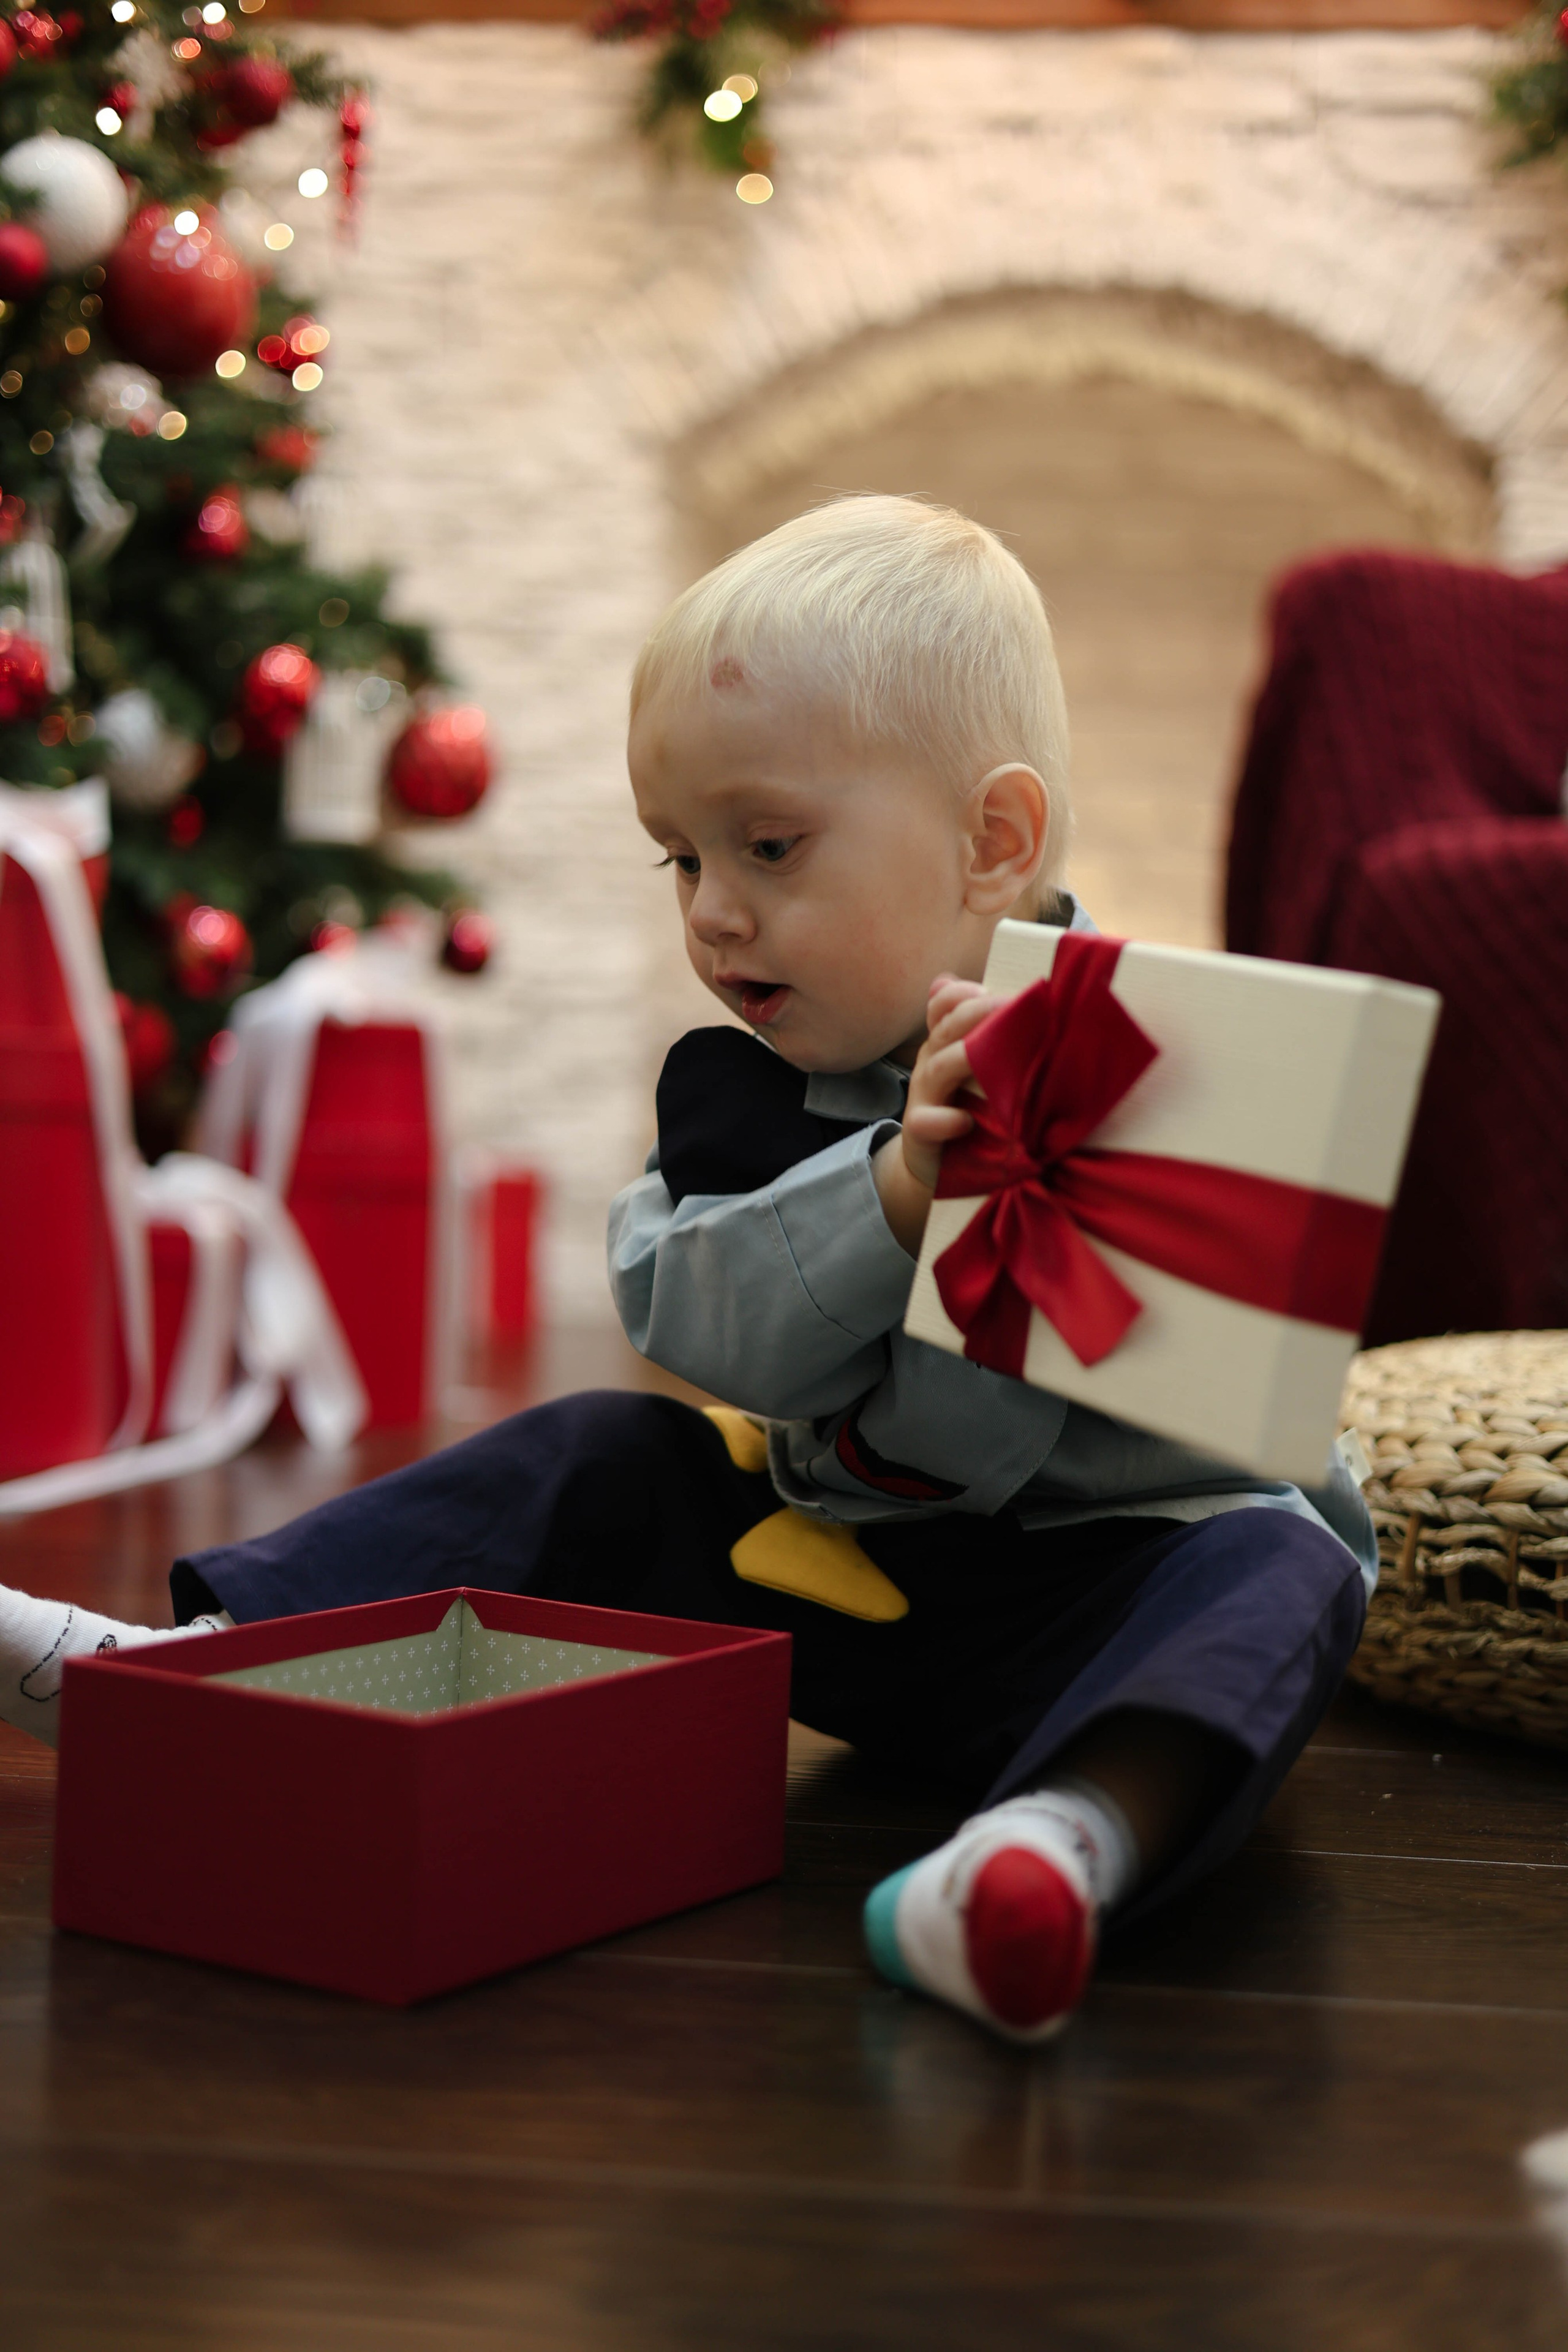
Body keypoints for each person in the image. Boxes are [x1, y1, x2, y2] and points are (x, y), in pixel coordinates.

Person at [0, 496, 1372, 2043]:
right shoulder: (737, 1096)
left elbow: (1287, 1448)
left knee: (1287, 1560)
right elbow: (689, 1317)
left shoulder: (1191, 1076)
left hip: (1088, 1624)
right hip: (827, 1581)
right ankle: (184, 1673)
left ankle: (1053, 1854)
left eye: (768, 847)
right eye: (680, 859)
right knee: (601, 1449)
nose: (714, 915)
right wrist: (894, 1192)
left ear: (992, 841)